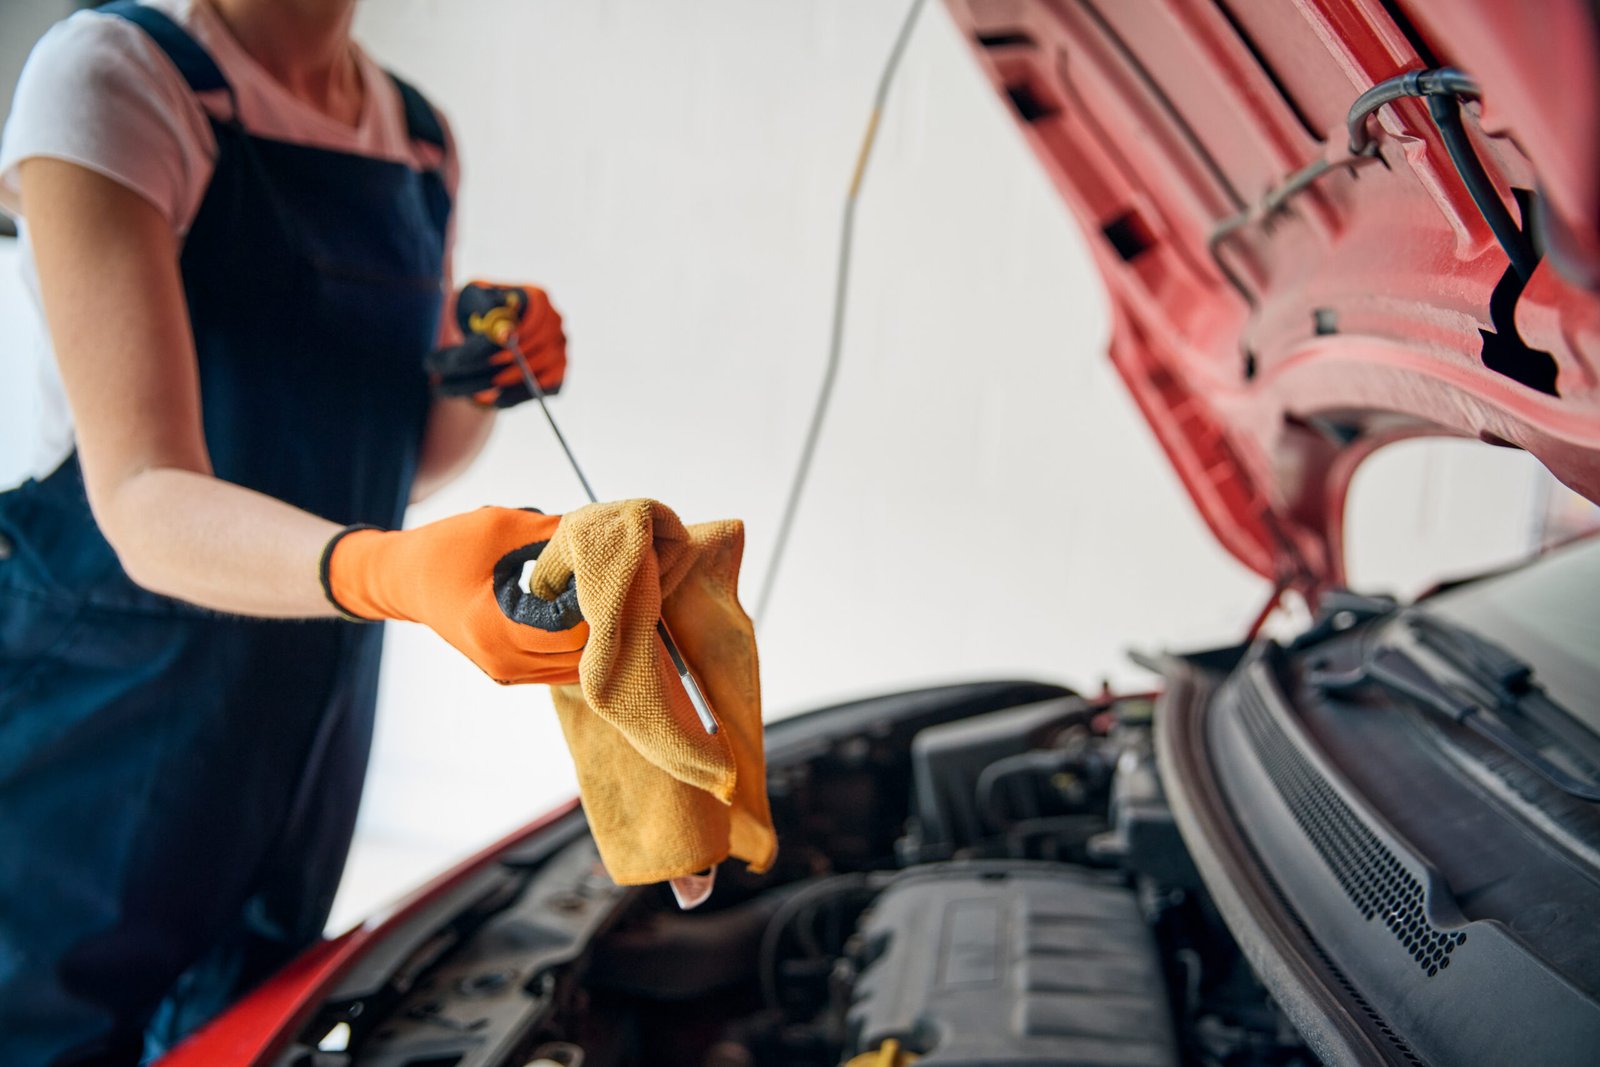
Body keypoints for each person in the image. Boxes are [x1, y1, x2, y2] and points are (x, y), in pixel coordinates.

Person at [0, 1, 580, 1062]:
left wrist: (480, 382)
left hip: (303, 705)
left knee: (248, 1028)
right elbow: (142, 492)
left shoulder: (415, 136)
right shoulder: (117, 78)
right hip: (104, 702)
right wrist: (393, 568)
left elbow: (396, 453)